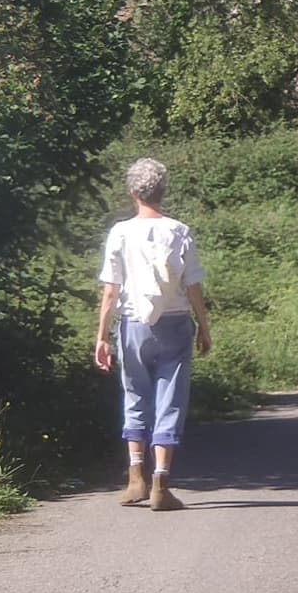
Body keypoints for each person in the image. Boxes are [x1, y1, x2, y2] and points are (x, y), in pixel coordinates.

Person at [93, 157, 212, 512]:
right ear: (163, 191)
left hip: (132, 325)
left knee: (135, 395)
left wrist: (101, 336)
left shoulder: (120, 232)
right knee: (170, 400)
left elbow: (111, 291)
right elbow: (193, 287)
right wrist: (204, 328)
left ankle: (135, 481)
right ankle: (161, 482)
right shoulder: (179, 230)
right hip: (175, 323)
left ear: (132, 192)